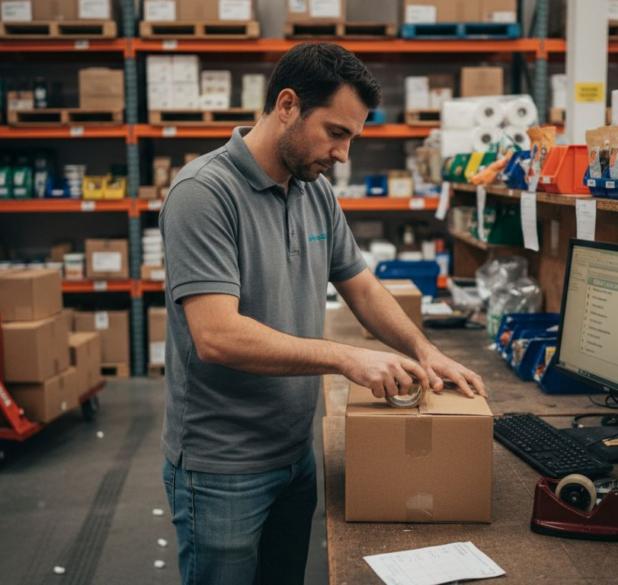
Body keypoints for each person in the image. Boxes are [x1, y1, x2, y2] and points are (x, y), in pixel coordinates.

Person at [158, 42, 486, 585]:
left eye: (352, 137)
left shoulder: (315, 192)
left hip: (293, 453)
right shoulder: (203, 193)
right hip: (222, 468)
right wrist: (347, 359)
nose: (343, 154)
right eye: (336, 132)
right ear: (287, 105)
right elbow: (216, 336)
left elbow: (361, 287)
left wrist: (425, 351)